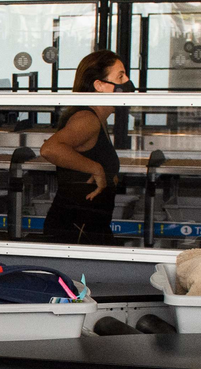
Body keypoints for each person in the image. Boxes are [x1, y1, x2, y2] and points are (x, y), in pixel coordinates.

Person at [38, 50, 133, 246]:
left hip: (91, 226)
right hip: (74, 230)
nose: (127, 81)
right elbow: (50, 149)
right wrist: (96, 169)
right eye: (120, 76)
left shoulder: (100, 120)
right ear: (99, 85)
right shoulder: (88, 119)